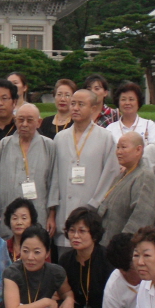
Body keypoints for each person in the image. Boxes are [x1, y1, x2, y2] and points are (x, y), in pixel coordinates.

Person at [47, 89, 121, 248]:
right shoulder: (60, 138)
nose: (75, 108)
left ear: (93, 108)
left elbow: (111, 175)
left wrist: (94, 204)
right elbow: (54, 177)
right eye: (73, 103)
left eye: (81, 104)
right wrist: (52, 212)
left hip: (91, 212)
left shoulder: (105, 137)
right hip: (63, 214)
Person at [57, 207, 114, 308]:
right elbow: (59, 292)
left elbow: (116, 306)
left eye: (82, 231)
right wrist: (68, 299)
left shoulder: (107, 259)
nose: (75, 236)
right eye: (72, 230)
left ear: (94, 234)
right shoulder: (66, 259)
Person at [0, 103, 54, 239]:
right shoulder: (4, 145)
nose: (24, 124)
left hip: (39, 211)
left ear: (39, 122)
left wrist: (52, 215)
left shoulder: (48, 146)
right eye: (20, 120)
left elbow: (54, 183)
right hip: (9, 212)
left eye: (29, 120)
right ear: (15, 121)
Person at [97, 131, 155, 245]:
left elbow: (142, 217)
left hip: (123, 247)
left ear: (138, 150)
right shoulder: (122, 175)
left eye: (124, 147)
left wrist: (124, 244)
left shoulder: (144, 176)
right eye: (118, 147)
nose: (119, 152)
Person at [3, 198, 40, 262]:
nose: (19, 222)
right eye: (15, 218)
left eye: (24, 218)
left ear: (31, 221)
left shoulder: (39, 247)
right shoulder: (3, 247)